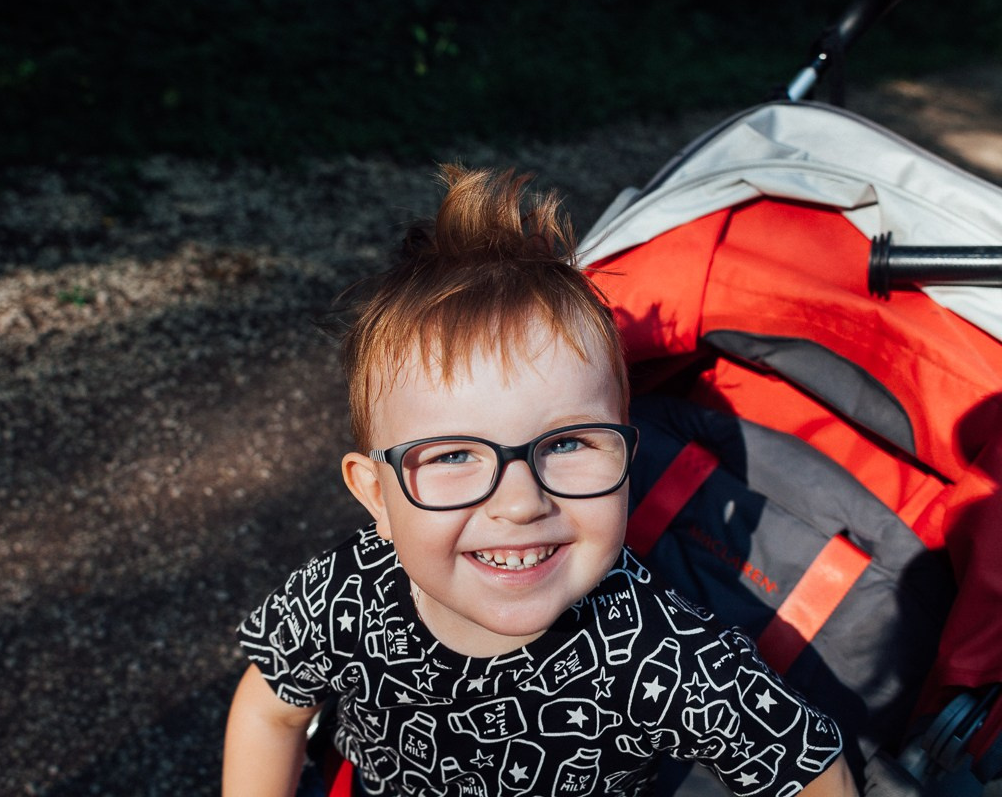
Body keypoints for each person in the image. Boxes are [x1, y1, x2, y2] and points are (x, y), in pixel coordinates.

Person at [222, 165, 858, 797]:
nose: (522, 501)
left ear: (627, 461)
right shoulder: (348, 594)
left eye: (567, 443)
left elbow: (808, 769)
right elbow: (271, 709)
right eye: (451, 456)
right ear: (376, 496)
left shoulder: (657, 653)